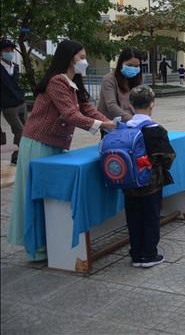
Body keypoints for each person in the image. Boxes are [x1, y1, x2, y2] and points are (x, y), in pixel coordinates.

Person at [7, 40, 115, 260]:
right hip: (38, 144)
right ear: (69, 58)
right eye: (81, 57)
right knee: (37, 194)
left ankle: (51, 241)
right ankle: (37, 248)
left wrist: (111, 123)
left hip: (54, 144)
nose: (85, 61)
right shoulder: (57, 82)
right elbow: (70, 114)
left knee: (51, 195)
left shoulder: (73, 82)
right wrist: (104, 126)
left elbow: (87, 108)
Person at [123, 85, 176, 268]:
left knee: (133, 218)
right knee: (151, 217)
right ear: (152, 105)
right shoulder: (156, 129)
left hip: (129, 184)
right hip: (151, 184)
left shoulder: (124, 128)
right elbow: (167, 158)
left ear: (130, 105)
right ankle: (149, 255)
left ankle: (136, 253)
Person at [97, 48, 143, 127]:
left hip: (132, 124)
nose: (133, 69)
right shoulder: (109, 79)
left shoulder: (136, 79)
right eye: (129, 65)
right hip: (111, 124)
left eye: (136, 66)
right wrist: (132, 120)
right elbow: (111, 106)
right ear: (121, 63)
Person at [0, 40, 26, 165]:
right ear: (1, 53)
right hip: (8, 107)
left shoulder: (15, 66)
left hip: (21, 103)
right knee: (19, 130)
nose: (9, 53)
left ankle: (22, 154)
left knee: (26, 131)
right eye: (6, 51)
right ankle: (15, 158)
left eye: (11, 50)